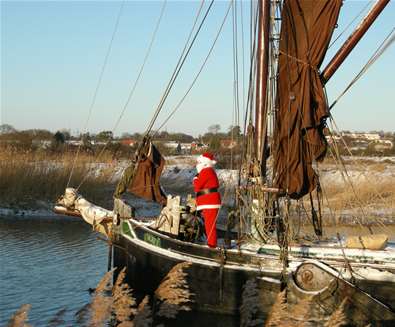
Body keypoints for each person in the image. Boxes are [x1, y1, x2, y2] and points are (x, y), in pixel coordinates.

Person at [193, 152, 221, 248]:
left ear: (204, 163)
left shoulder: (206, 171)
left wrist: (196, 177)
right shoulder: (208, 171)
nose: (197, 164)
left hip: (210, 202)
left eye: (199, 162)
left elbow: (197, 186)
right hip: (210, 202)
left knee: (210, 225)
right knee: (209, 224)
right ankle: (211, 243)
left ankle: (212, 246)